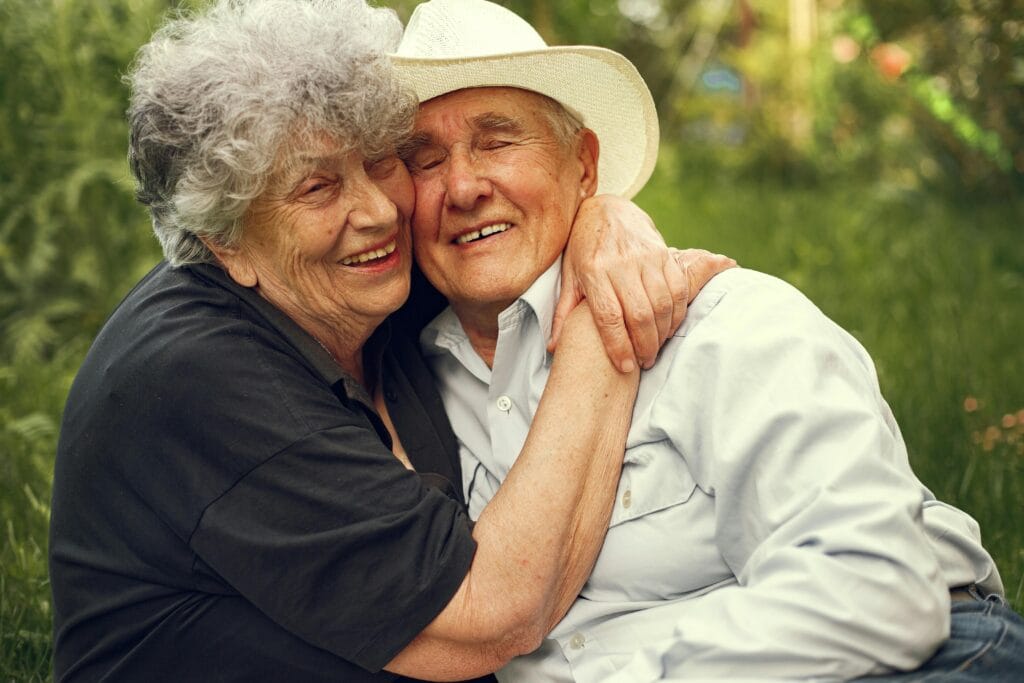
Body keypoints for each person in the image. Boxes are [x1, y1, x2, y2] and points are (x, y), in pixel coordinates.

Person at [47, 1, 733, 681]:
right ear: (226, 241)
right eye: (317, 188)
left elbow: (518, 230)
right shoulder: (199, 377)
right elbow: (492, 613)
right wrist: (599, 322)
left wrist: (605, 219)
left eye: (382, 161)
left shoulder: (365, 287)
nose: (378, 211)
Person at [392, 0, 1024, 680]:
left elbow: (876, 584)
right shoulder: (406, 383)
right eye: (424, 161)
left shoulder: (723, 322)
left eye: (498, 141)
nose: (461, 186)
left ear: (583, 166)